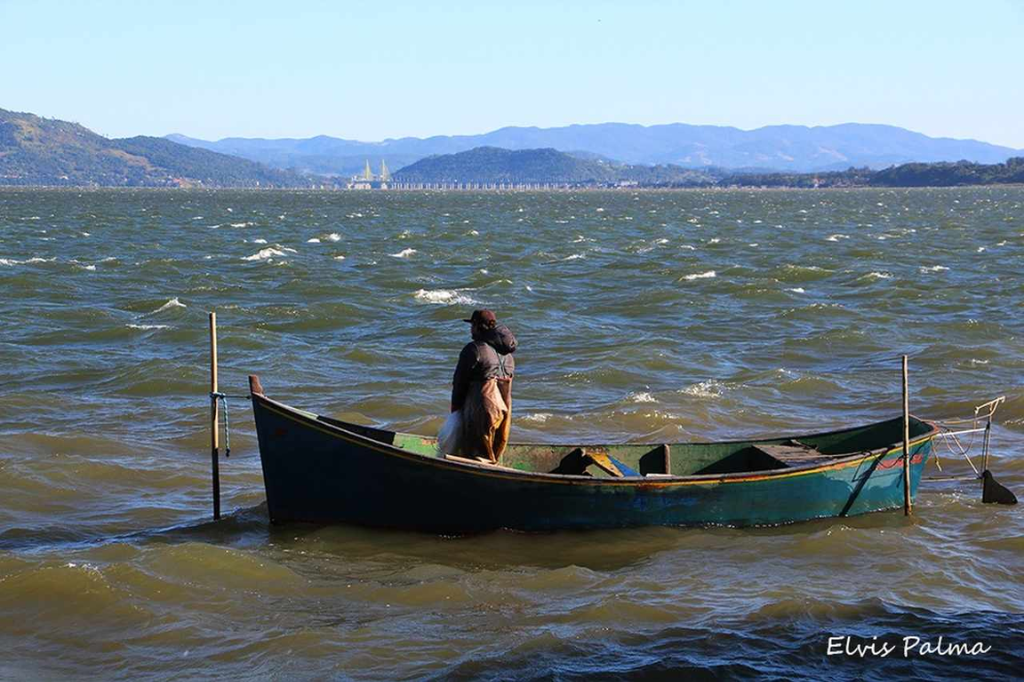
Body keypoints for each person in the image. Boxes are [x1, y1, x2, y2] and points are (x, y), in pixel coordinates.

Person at [450, 309, 516, 462]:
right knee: (495, 449)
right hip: (505, 410)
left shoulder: (474, 349)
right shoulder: (509, 357)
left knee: (478, 454)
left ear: (477, 326)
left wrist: (455, 410)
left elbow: (459, 382)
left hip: (484, 410)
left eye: (472, 325)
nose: (470, 329)